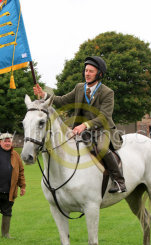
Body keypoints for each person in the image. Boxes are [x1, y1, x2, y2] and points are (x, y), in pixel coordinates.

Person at [33, 56, 127, 193]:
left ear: (99, 74)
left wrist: (85, 125)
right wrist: (44, 95)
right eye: (86, 70)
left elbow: (104, 117)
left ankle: (119, 181)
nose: (87, 74)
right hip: (81, 131)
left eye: (91, 71)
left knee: (101, 147)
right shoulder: (79, 88)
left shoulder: (107, 92)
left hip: (102, 130)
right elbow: (61, 101)